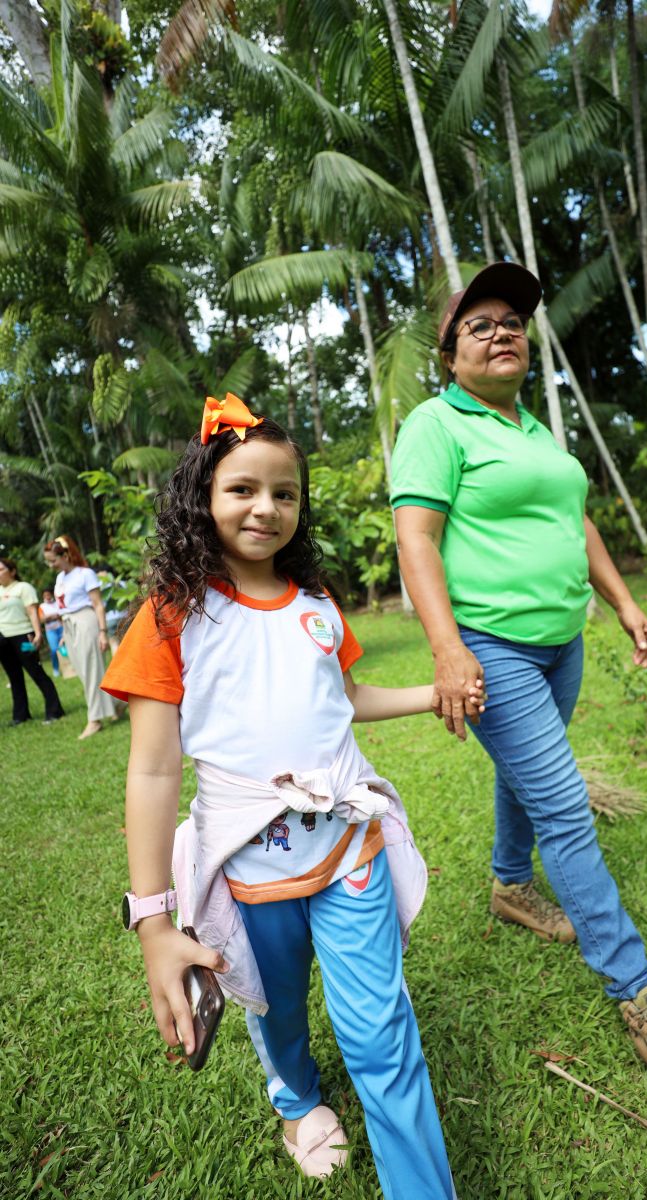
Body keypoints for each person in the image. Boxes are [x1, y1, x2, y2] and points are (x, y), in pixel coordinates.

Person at [390, 262, 647, 1121]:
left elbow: (574, 521)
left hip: (561, 644)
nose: (503, 330)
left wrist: (623, 603)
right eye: (480, 324)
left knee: (527, 778)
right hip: (492, 648)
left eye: (514, 320)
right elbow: (418, 540)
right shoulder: (437, 425)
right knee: (565, 806)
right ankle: (642, 998)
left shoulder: (538, 433)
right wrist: (446, 649)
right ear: (449, 352)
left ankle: (511, 885)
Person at [101, 394, 472, 1196]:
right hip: (246, 864)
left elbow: (344, 697)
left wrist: (433, 691)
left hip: (347, 845)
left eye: (285, 493)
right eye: (243, 488)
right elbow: (154, 771)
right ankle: (297, 1098)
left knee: (381, 1032)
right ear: (203, 495)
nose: (266, 507)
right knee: (276, 1006)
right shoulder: (171, 617)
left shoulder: (317, 608)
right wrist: (153, 922)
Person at [43, 535, 117, 740]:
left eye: (53, 560)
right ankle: (118, 704)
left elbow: (98, 605)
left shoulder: (85, 574)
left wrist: (103, 632)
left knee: (93, 670)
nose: (51, 565)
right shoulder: (60, 579)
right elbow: (62, 607)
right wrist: (64, 635)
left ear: (65, 555)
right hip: (68, 625)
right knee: (85, 673)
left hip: (86, 622)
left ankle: (95, 720)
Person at [0, 558, 65, 726]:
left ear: (12, 571)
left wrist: (37, 634)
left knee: (36, 672)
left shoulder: (23, 588)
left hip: (23, 635)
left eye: (1, 569)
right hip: (3, 638)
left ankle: (54, 710)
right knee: (14, 677)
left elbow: (32, 612)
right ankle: (20, 715)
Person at [39, 588, 64, 676]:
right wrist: (54, 616)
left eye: (48, 595)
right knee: (54, 650)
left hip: (61, 627)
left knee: (65, 648)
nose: (47, 597)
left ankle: (68, 667)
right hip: (50, 630)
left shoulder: (57, 603)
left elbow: (61, 614)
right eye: (45, 595)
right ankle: (56, 669)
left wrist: (49, 617)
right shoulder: (42, 606)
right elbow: (42, 619)